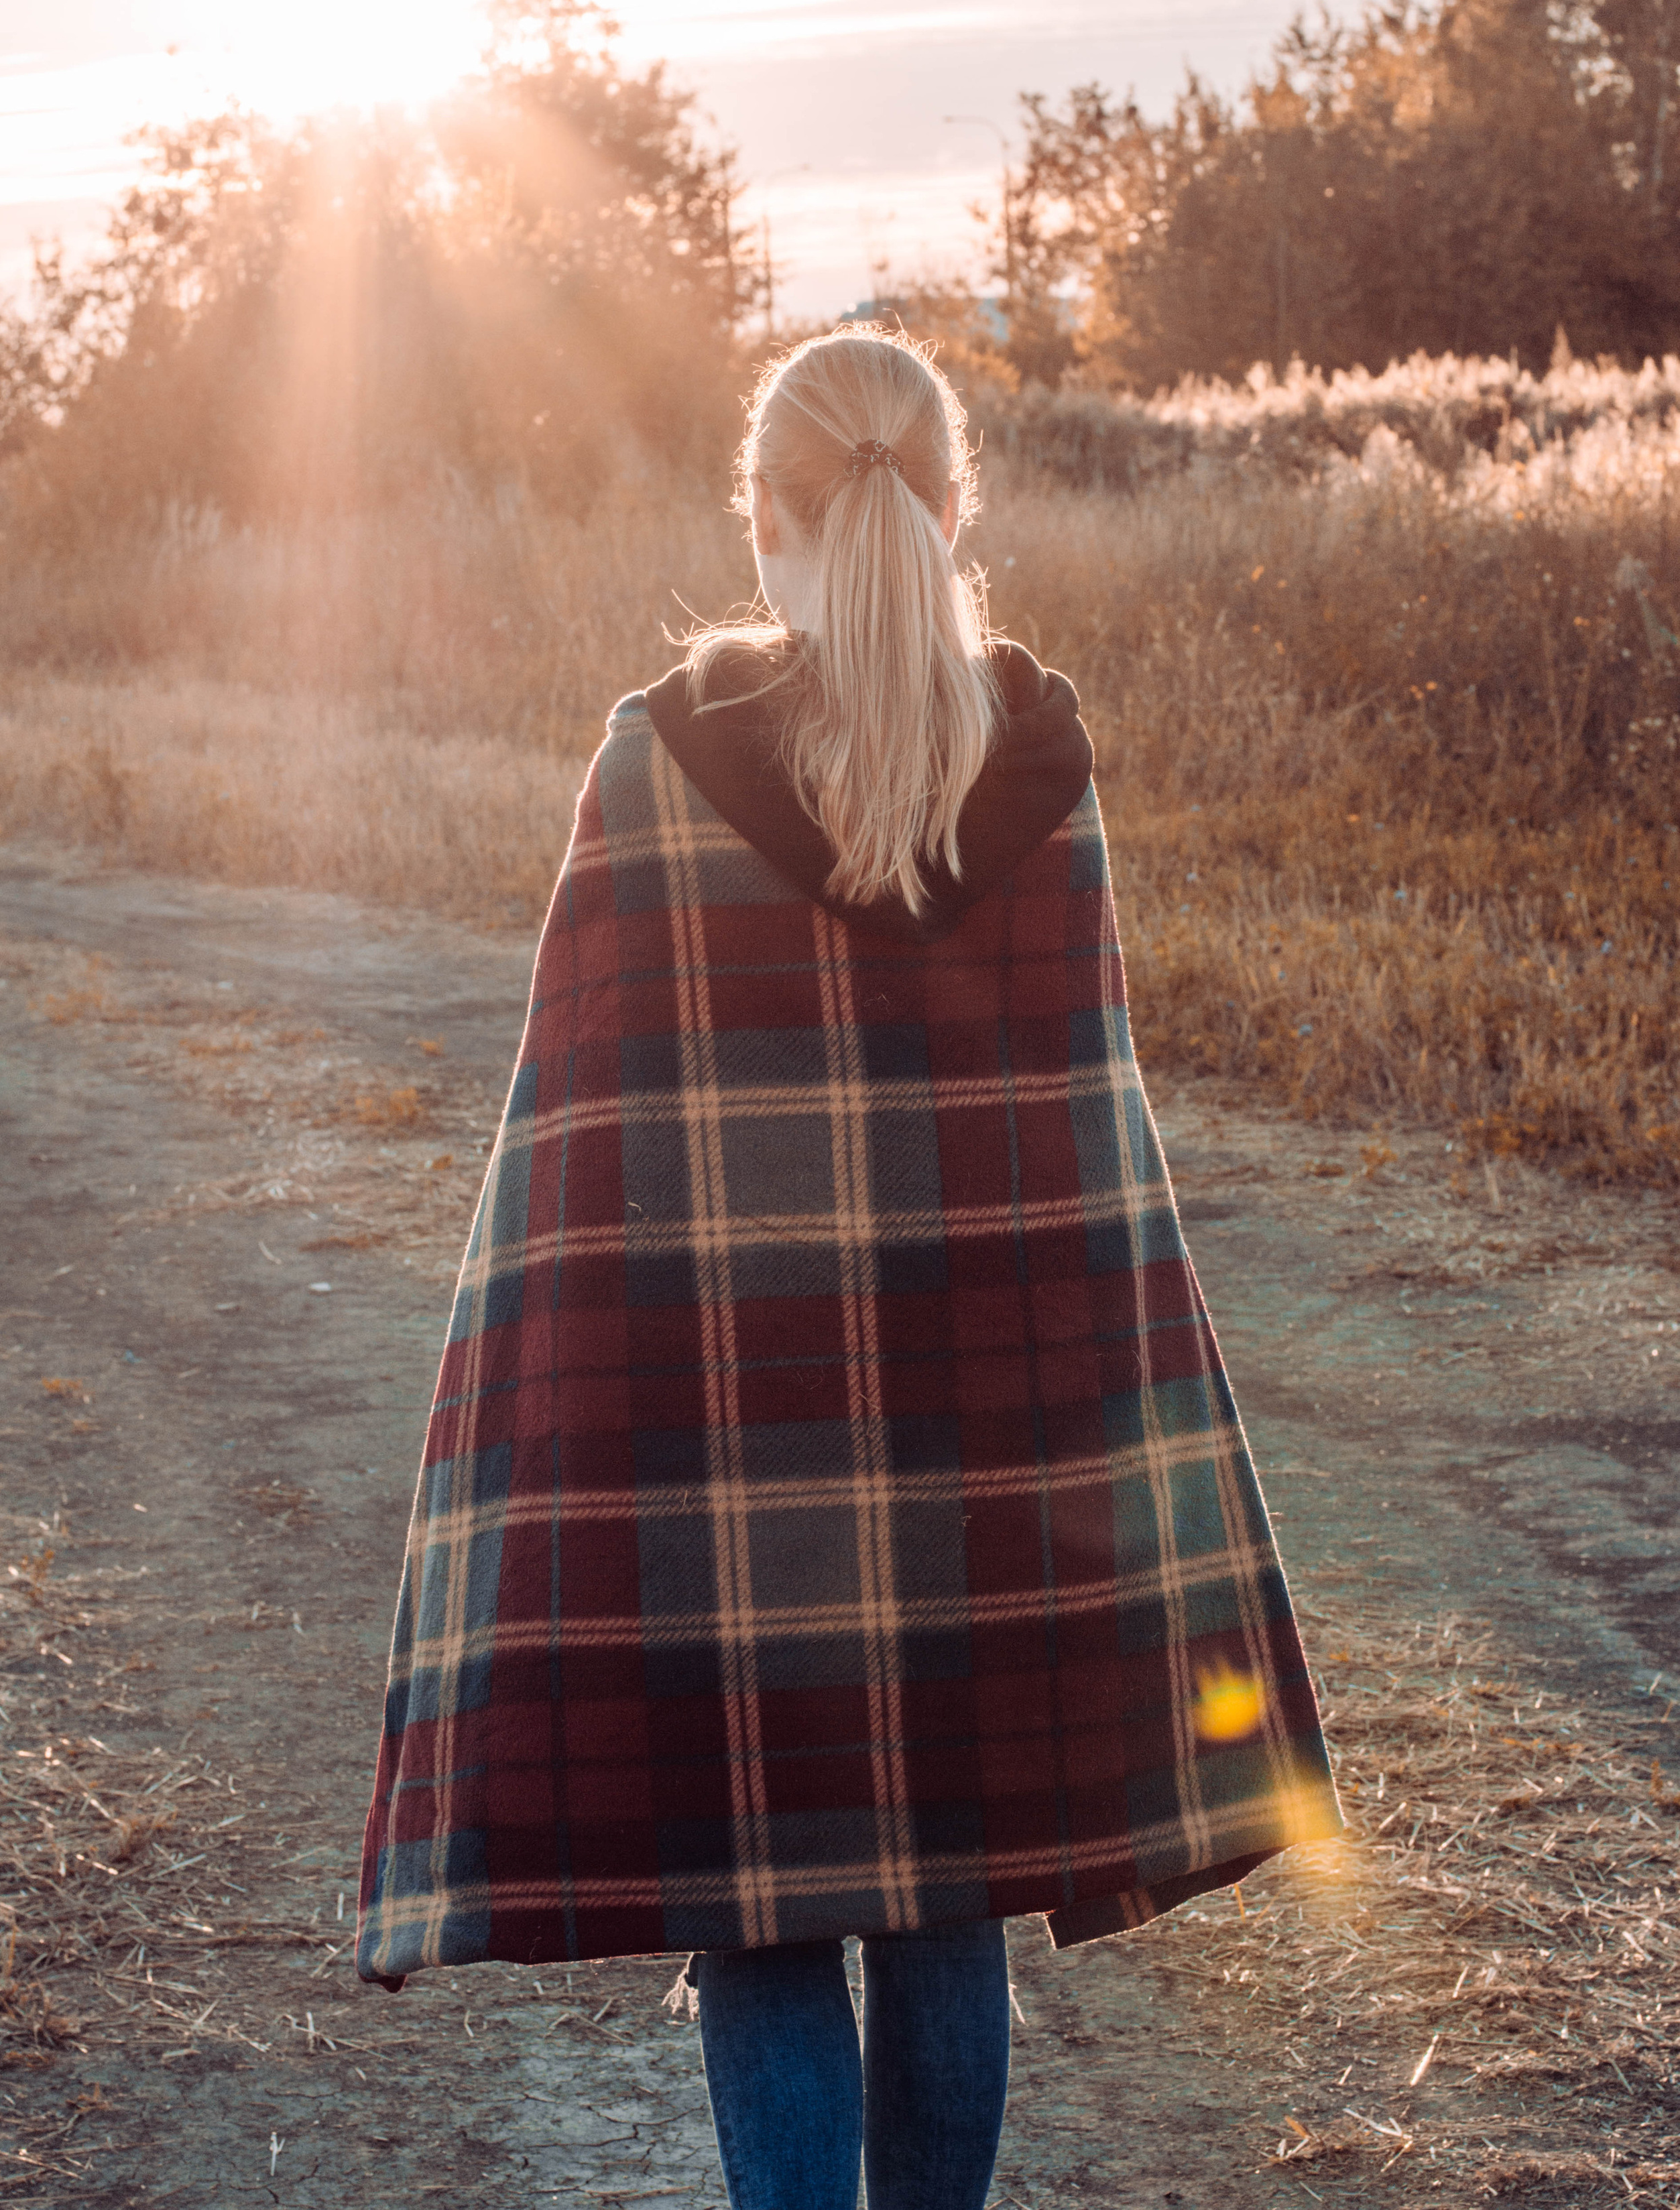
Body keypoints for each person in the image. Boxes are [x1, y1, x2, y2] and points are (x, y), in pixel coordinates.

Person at [355, 327, 1341, 2210]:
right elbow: (1088, 1146)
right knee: (948, 1886)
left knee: (769, 1911)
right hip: (1000, 1463)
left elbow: (572, 1161)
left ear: (763, 518)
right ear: (958, 508)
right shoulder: (1043, 760)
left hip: (740, 1459)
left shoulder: (654, 766)